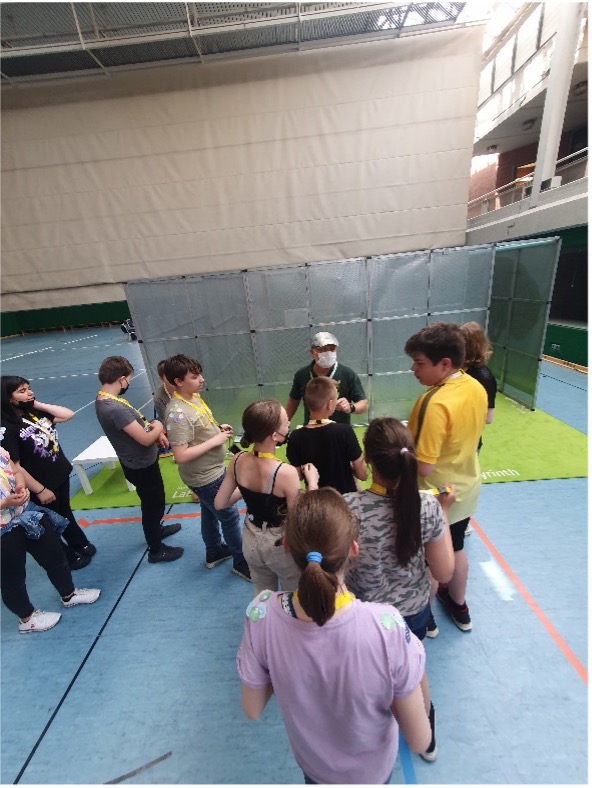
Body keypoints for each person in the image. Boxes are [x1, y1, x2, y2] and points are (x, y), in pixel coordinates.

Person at [236, 488, 430, 784]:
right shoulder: (386, 627)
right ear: (354, 549)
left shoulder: (261, 615)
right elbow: (420, 740)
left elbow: (252, 708)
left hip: (315, 770)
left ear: (286, 546)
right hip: (373, 774)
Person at [344, 417, 455, 762]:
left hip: (363, 618)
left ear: (368, 459)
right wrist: (443, 513)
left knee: (370, 675)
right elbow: (445, 572)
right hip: (413, 614)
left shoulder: (348, 508)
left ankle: (373, 738)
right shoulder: (428, 506)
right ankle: (426, 738)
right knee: (414, 671)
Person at [404, 322, 487, 634]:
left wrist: (399, 453)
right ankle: (459, 606)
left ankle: (424, 617)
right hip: (466, 488)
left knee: (428, 559)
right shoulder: (474, 385)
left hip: (434, 496)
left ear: (445, 363)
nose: (413, 369)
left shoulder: (434, 402)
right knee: (457, 546)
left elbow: (424, 466)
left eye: (419, 363)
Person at [215, 399, 318, 595]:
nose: (289, 425)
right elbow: (300, 521)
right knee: (292, 594)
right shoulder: (286, 473)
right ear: (275, 435)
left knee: (262, 592)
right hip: (279, 544)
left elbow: (220, 503)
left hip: (250, 538)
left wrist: (247, 487)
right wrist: (312, 483)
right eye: (286, 423)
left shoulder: (238, 459)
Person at [163, 354, 250, 581]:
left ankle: (214, 551)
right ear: (178, 381)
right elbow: (180, 455)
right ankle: (241, 562)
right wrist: (215, 440)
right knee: (228, 516)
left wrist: (217, 430)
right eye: (194, 377)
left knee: (209, 512)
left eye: (199, 374)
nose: (201, 379)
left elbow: (198, 430)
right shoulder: (177, 414)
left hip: (212, 469)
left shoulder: (194, 398)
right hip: (205, 476)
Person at [1, 440, 100, 633]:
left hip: (26, 513)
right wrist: (5, 503)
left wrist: (20, 486)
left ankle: (69, 594)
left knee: (55, 556)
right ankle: (26, 619)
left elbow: (15, 470)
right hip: (3, 530)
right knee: (12, 578)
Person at [0, 376, 96, 571]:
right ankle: (67, 557)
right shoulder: (7, 427)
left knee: (65, 511)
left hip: (59, 473)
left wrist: (35, 403)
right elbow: (16, 467)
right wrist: (40, 489)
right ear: (8, 398)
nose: (29, 393)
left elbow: (68, 414)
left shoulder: (33, 412)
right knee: (49, 523)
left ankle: (78, 542)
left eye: (29, 388)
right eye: (22, 391)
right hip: (41, 483)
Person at [95, 356, 183, 564]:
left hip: (138, 461)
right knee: (153, 505)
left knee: (154, 502)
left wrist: (153, 430)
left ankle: (156, 530)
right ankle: (156, 550)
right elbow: (144, 439)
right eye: (129, 379)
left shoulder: (106, 400)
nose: (128, 383)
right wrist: (158, 426)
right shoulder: (114, 408)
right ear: (121, 379)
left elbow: (137, 428)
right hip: (141, 465)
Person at [286, 377, 366, 494]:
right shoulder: (345, 431)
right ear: (330, 404)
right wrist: (347, 466)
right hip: (346, 500)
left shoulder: (296, 437)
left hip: (317, 501)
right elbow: (362, 475)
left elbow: (297, 476)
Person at [286, 332, 368, 425]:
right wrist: (284, 423)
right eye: (322, 349)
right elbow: (293, 401)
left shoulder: (347, 373)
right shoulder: (302, 375)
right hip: (312, 428)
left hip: (339, 429)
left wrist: (351, 407)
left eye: (332, 349)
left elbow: (363, 403)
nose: (328, 353)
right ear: (312, 352)